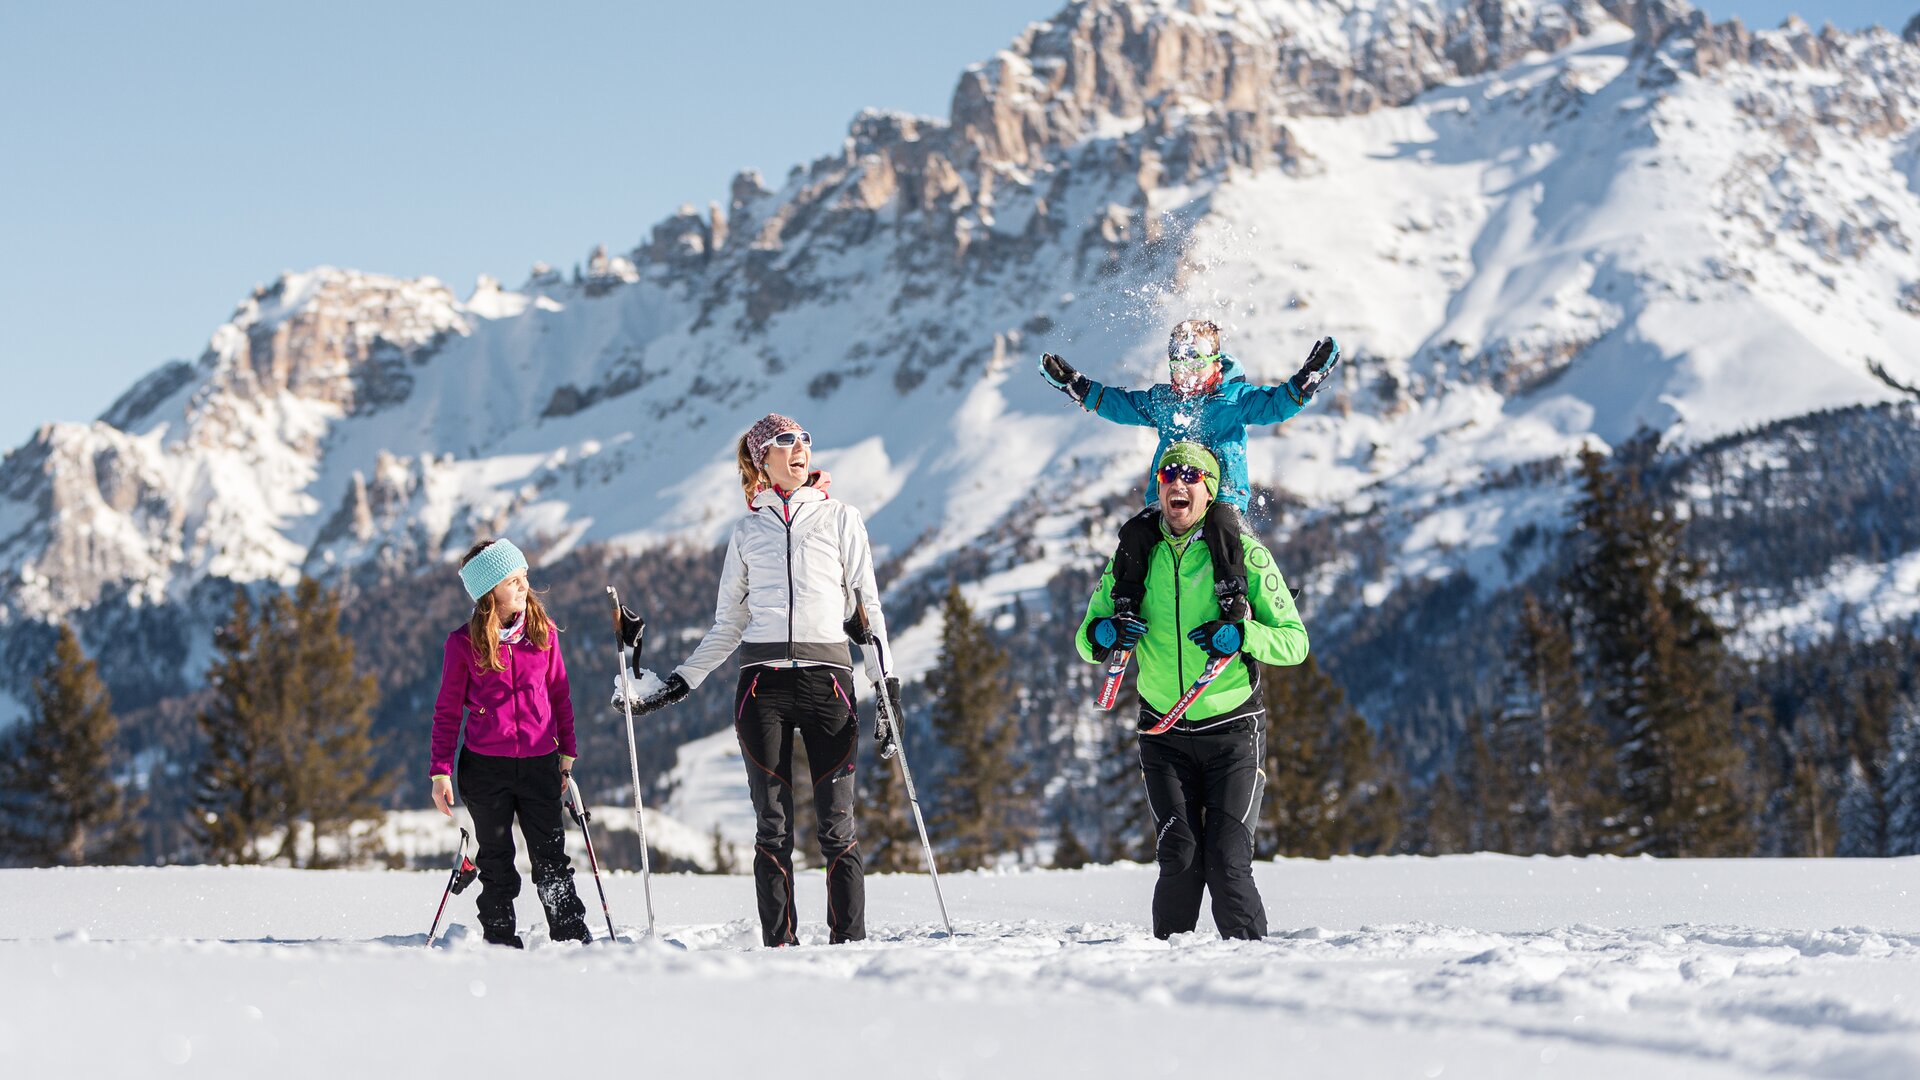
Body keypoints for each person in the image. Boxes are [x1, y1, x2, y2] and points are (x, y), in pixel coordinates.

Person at [623, 413, 893, 947]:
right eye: (786, 441)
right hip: (761, 689)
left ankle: (849, 947)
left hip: (829, 683)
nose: (801, 449)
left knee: (837, 827)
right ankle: (780, 949)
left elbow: (869, 609)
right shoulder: (747, 531)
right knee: (772, 828)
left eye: (805, 440)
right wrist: (678, 682)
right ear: (762, 459)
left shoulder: (842, 519)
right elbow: (729, 624)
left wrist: (887, 687)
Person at [1076, 441, 1308, 940]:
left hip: (1232, 731)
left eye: (1191, 476)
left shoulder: (1243, 554)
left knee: (1227, 864)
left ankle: (1252, 978)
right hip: (1163, 732)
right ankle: (1169, 982)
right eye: (1167, 475)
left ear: (1210, 490)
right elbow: (1086, 635)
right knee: (1179, 856)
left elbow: (1295, 642)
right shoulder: (1135, 552)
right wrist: (1105, 634)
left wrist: (1244, 633)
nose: (1177, 483)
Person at [1039, 320, 1338, 621]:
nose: (1186, 377)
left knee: (1222, 528)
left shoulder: (1234, 400)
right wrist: (1080, 387)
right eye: (1178, 367)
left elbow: (1276, 405)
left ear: (1216, 366)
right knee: (1137, 531)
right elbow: (1123, 406)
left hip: (1222, 494)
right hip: (1171, 494)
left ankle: (1233, 599)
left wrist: (1305, 381)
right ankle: (1127, 602)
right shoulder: (1164, 401)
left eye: (1195, 367)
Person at [428, 537, 591, 947]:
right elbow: (448, 712)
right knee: (497, 861)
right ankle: (500, 941)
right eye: (513, 581)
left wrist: (567, 753)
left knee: (551, 859)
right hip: (485, 769)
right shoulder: (462, 644)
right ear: (490, 593)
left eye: (524, 577)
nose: (524, 586)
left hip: (539, 763)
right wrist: (440, 772)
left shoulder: (544, 634)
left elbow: (560, 696)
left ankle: (570, 938)